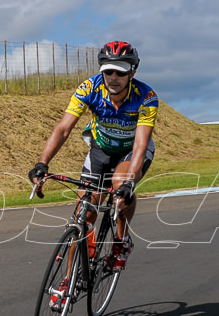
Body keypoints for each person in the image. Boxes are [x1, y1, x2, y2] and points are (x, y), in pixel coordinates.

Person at [28, 41, 158, 276]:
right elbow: (63, 129)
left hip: (132, 150)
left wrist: (129, 182)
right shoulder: (89, 88)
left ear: (132, 72)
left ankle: (121, 241)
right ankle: (69, 280)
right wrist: (42, 164)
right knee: (83, 214)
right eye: (108, 71)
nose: (113, 77)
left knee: (120, 185)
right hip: (101, 149)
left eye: (121, 71)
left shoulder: (146, 97)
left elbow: (140, 143)